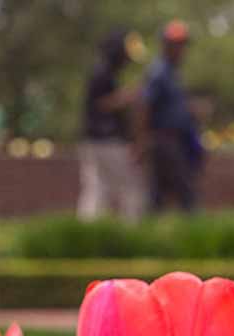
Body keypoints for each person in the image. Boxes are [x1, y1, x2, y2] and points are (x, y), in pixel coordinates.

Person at [78, 29, 145, 222]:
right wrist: (128, 96)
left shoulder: (104, 72)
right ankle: (132, 231)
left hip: (94, 140)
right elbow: (99, 104)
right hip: (106, 140)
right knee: (132, 187)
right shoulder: (102, 73)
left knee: (97, 189)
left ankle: (87, 234)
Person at [140, 20, 203, 213]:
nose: (181, 49)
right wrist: (142, 139)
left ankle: (150, 234)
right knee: (186, 193)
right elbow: (144, 105)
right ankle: (196, 235)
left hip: (178, 140)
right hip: (164, 140)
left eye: (183, 44)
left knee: (159, 197)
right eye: (177, 44)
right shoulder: (158, 72)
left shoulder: (173, 73)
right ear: (166, 45)